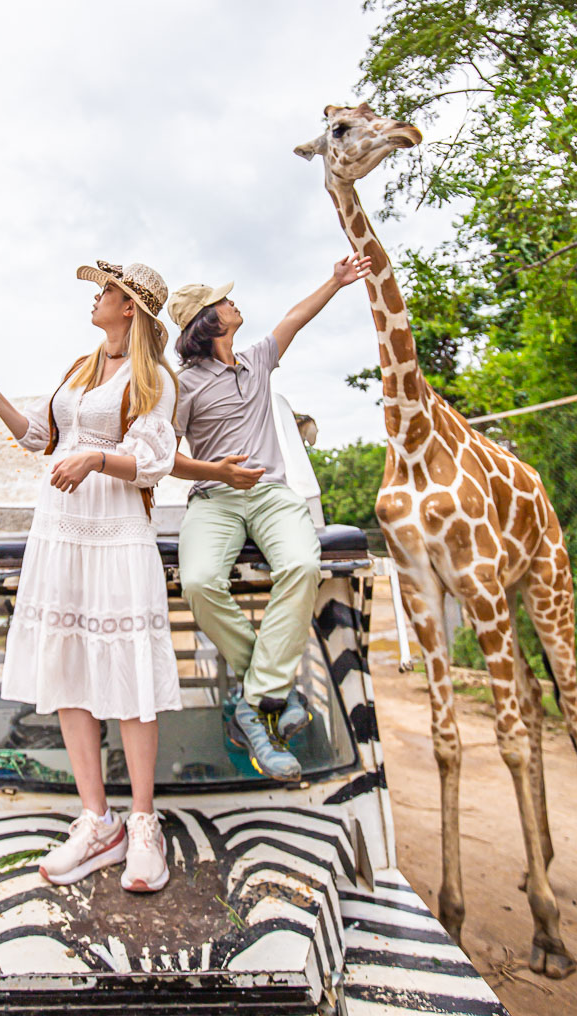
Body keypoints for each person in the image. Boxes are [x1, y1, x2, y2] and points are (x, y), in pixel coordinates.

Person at [0, 260, 180, 893]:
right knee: (70, 669)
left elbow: (150, 461)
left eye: (106, 290)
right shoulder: (78, 371)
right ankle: (97, 820)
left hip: (116, 537)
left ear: (130, 307)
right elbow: (38, 437)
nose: (96, 297)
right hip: (59, 534)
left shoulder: (155, 379)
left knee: (130, 672)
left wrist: (93, 458)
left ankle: (142, 822)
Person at [168, 253, 371, 780]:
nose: (235, 302)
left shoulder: (257, 358)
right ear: (208, 321)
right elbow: (165, 457)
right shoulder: (182, 384)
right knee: (198, 580)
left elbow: (295, 317)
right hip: (215, 496)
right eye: (224, 299)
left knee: (303, 566)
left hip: (271, 494)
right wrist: (217, 470)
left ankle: (254, 701)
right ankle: (274, 690)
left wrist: (336, 280)